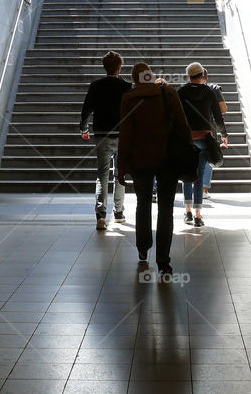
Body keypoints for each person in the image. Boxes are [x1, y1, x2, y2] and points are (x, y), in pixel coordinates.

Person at [118, 62, 191, 273]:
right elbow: (182, 125)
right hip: (167, 159)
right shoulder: (168, 92)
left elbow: (126, 135)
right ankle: (163, 261)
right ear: (150, 76)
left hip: (140, 161)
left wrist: (122, 165)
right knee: (166, 209)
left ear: (134, 79)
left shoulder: (129, 98)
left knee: (143, 205)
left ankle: (143, 249)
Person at [80, 51, 132, 230]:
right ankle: (118, 212)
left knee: (101, 175)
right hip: (123, 136)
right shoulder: (127, 86)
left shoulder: (96, 86)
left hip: (102, 134)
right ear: (120, 67)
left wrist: (84, 128)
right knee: (120, 174)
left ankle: (101, 214)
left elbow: (86, 108)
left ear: (105, 67)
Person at [177, 62, 227, 228]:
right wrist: (224, 134)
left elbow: (176, 116)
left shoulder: (182, 92)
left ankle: (188, 212)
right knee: (199, 176)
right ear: (202, 75)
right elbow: (218, 116)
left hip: (187, 139)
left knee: (187, 175)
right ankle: (198, 215)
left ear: (188, 76)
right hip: (205, 138)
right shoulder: (209, 92)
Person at [201, 69, 228, 199]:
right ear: (206, 77)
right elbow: (223, 110)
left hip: (192, 130)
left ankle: (191, 189)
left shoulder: (185, 90)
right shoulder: (214, 89)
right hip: (209, 129)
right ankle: (204, 189)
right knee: (207, 159)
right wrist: (224, 134)